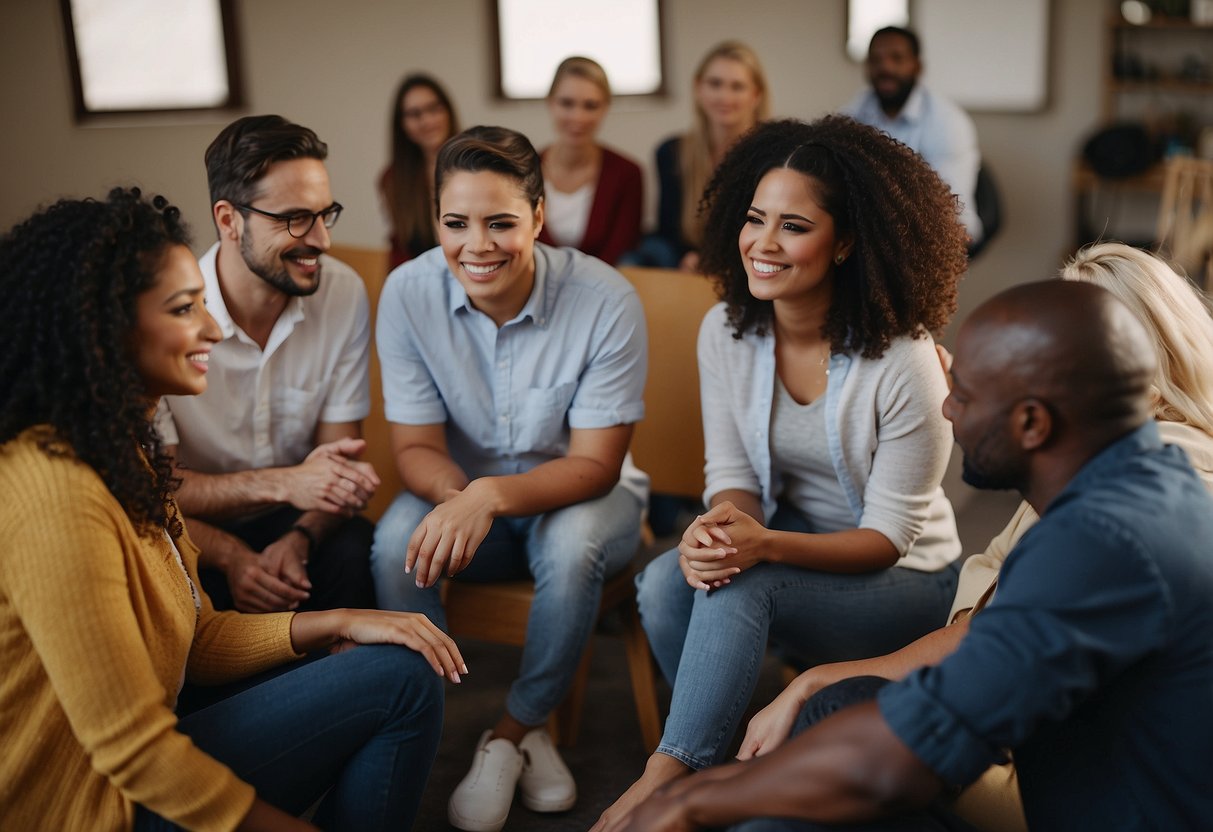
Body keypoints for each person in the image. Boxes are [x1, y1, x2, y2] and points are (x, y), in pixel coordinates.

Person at [620, 279, 1213, 831]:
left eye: (966, 394)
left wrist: (691, 801)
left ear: (1033, 422)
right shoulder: (1145, 485)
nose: (947, 408)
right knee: (839, 713)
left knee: (810, 789)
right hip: (1083, 780)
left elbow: (901, 757)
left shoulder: (1102, 542)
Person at [0, 187, 464, 831]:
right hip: (92, 807)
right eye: (184, 309)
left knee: (397, 665)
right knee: (398, 680)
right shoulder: (55, 492)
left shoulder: (125, 452)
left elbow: (198, 638)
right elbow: (134, 755)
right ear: (102, 329)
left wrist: (345, 621)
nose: (213, 329)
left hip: (144, 761)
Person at [594, 115, 970, 831]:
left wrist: (759, 545)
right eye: (752, 219)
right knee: (666, 583)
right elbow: (730, 472)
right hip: (794, 548)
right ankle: (732, 768)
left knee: (749, 576)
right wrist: (722, 525)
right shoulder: (728, 330)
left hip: (905, 583)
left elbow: (888, 537)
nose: (762, 245)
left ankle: (667, 782)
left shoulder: (903, 361)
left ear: (846, 243)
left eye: (792, 226)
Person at [370, 125, 649, 832]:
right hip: (461, 496)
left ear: (538, 217)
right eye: (455, 223)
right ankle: (425, 725)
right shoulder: (407, 292)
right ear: (435, 220)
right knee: (392, 542)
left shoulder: (604, 298)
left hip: (583, 498)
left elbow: (594, 466)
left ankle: (509, 730)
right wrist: (464, 498)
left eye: (501, 222)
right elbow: (414, 449)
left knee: (570, 543)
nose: (477, 245)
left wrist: (487, 496)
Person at [155, 115, 378, 618]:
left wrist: (299, 538)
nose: (320, 239)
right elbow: (157, 487)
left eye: (326, 214)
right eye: (295, 218)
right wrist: (236, 553)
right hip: (187, 524)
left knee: (358, 549)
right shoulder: (163, 315)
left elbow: (335, 468)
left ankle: (351, 689)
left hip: (295, 521)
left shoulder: (341, 293)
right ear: (229, 220)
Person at [624, 40, 769, 271]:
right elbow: (668, 230)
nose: (724, 96)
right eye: (715, 84)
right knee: (639, 257)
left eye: (737, 86)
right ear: (698, 88)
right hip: (692, 266)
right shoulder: (671, 152)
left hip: (753, 264)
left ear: (756, 95)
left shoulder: (773, 154)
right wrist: (687, 257)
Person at [843, 26, 982, 247]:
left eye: (897, 58)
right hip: (874, 228)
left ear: (917, 66)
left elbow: (950, 210)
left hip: (937, 230)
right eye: (876, 59)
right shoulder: (856, 110)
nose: (885, 67)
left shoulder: (947, 121)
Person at [536, 56, 643, 266]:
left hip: (602, 289)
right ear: (550, 103)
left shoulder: (627, 173)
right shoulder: (521, 169)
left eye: (591, 105)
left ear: (605, 108)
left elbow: (620, 252)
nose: (578, 116)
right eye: (567, 103)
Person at [379, 73, 460, 268]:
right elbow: (400, 248)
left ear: (447, 110)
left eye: (434, 109)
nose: (426, 121)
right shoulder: (393, 179)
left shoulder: (478, 164)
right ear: (402, 124)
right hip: (424, 284)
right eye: (414, 114)